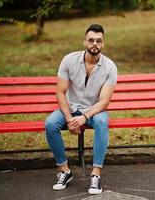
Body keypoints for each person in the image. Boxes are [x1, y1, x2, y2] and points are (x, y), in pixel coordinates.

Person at [45, 24, 117, 194]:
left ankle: (96, 175)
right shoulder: (69, 60)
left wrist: (84, 117)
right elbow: (60, 93)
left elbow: (104, 102)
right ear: (85, 42)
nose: (95, 44)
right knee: (50, 124)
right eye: (91, 40)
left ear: (103, 44)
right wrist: (70, 119)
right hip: (70, 108)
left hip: (94, 111)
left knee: (101, 121)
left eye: (99, 41)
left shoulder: (110, 67)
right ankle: (64, 170)